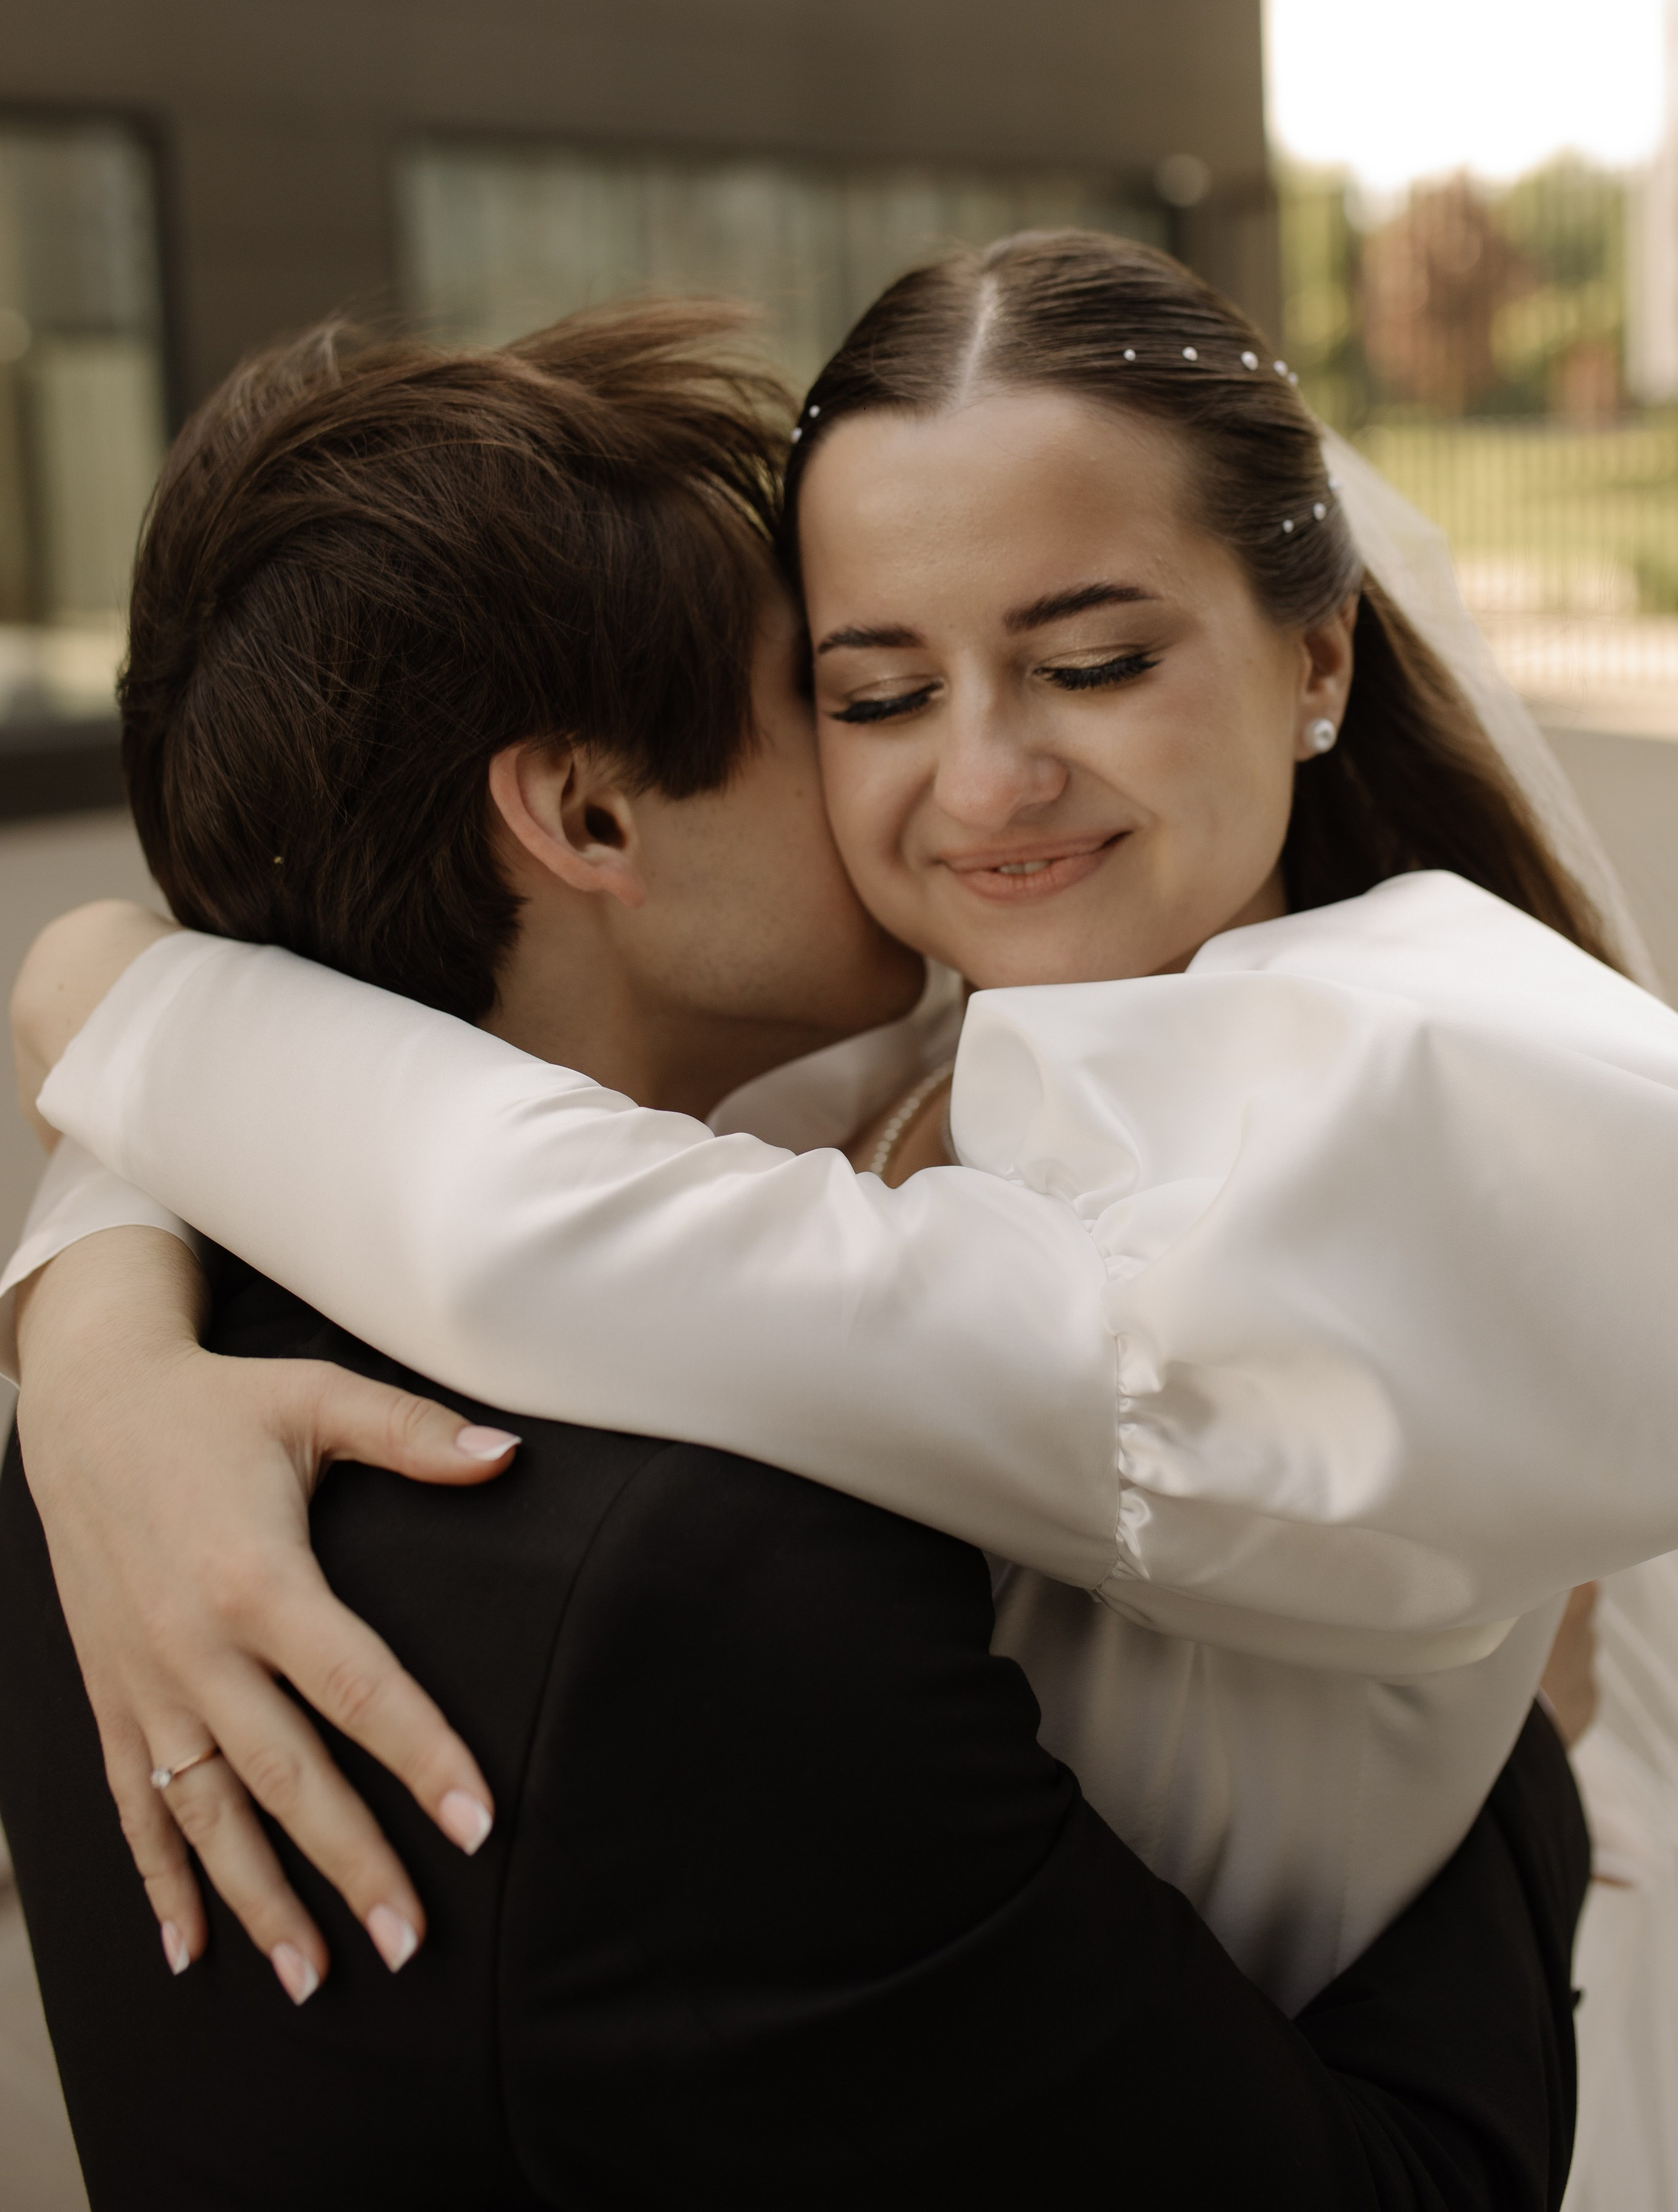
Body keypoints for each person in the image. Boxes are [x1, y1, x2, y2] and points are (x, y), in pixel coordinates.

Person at [0, 303, 1593, 2209]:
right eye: (858, 695)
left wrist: (93, 1210)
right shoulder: (730, 1582)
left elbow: (510, 1204)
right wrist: (1516, 1741)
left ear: (1316, 651)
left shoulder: (121, 1453)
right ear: (589, 813)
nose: (966, 787)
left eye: (1090, 663)